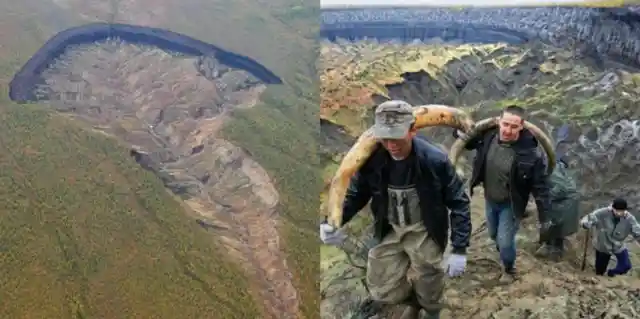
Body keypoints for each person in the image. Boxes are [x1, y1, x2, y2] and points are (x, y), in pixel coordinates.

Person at [321, 100, 472, 319]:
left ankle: (429, 310)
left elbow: (459, 202)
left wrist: (459, 248)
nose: (391, 143)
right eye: (385, 136)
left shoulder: (434, 161)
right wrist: (332, 222)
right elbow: (356, 194)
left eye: (397, 135)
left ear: (412, 130)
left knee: (430, 281)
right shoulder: (372, 160)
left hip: (424, 230)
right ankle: (412, 301)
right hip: (389, 229)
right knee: (382, 287)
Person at [454, 105, 551, 280]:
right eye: (505, 124)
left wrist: (545, 218)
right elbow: (469, 143)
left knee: (505, 242)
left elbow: (541, 187)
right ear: (499, 121)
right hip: (490, 198)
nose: (508, 130)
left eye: (514, 126)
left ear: (522, 127)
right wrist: (459, 133)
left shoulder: (531, 155)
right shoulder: (488, 136)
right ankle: (503, 249)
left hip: (511, 204)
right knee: (493, 235)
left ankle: (509, 269)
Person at [535, 124, 580, 261]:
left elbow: (560, 188)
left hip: (564, 203)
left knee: (553, 224)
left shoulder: (551, 168)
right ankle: (551, 248)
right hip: (564, 201)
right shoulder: (553, 164)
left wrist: (546, 198)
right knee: (555, 224)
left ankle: (553, 251)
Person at [580, 198, 640, 277]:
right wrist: (585, 224)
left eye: (621, 211)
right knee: (599, 272)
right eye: (617, 211)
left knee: (625, 266)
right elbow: (590, 218)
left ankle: (611, 273)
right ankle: (601, 282)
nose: (619, 213)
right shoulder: (602, 213)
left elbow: (636, 229)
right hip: (603, 246)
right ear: (613, 208)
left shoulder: (629, 218)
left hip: (619, 246)